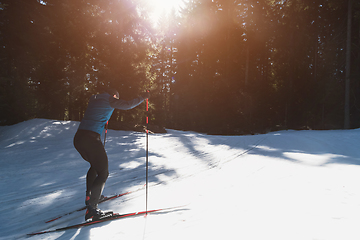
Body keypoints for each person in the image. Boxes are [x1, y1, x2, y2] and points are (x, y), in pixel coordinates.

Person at [73, 88, 150, 221]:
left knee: (95, 166)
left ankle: (89, 197)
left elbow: (98, 112)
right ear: (114, 95)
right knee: (103, 172)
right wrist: (143, 97)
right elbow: (127, 105)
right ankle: (92, 210)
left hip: (79, 139)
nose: (116, 101)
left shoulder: (94, 98)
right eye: (116, 98)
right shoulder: (109, 99)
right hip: (91, 139)